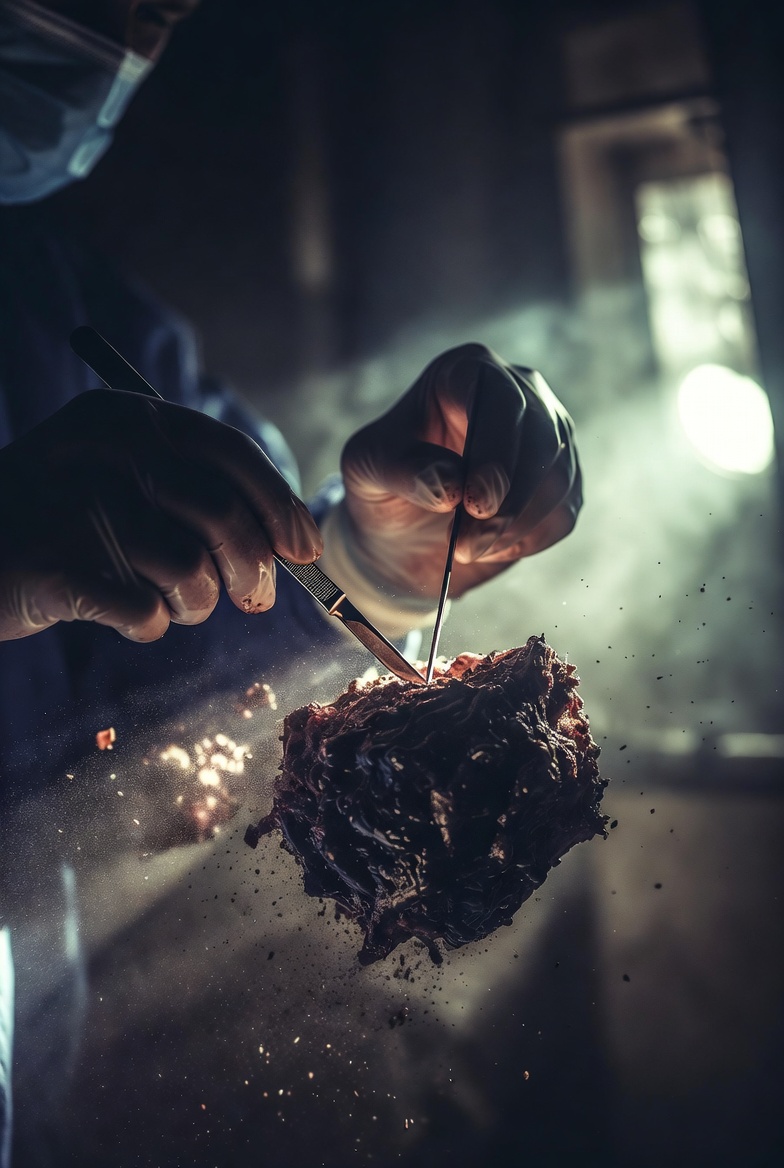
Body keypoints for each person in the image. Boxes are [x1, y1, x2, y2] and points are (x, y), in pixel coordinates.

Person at [0, 0, 581, 1162]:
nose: (132, 37)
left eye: (165, 10)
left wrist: (374, 554)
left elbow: (223, 609)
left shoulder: (52, 294)